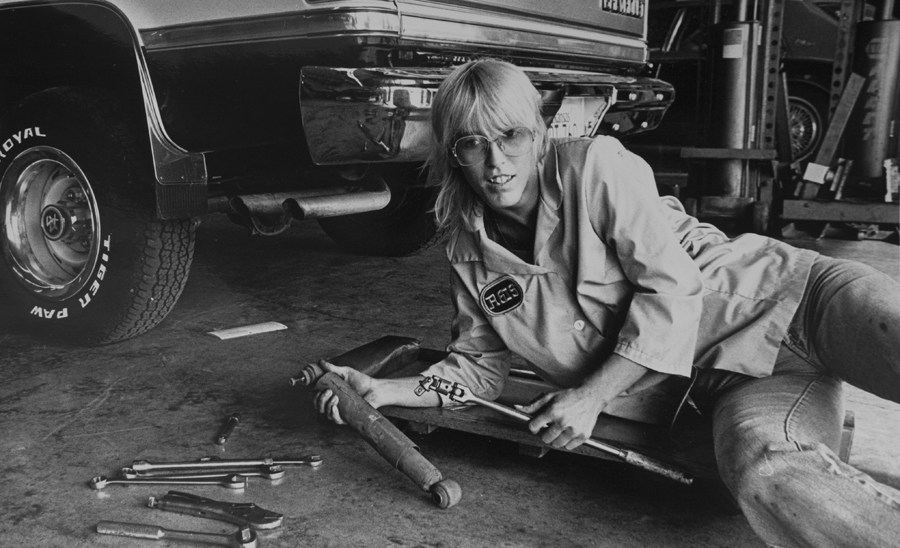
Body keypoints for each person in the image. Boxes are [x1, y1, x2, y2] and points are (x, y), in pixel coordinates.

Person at [314, 59, 900, 547]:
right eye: (473, 144)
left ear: (538, 132)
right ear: (452, 155)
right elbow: (475, 371)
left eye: (510, 136)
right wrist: (384, 391)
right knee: (769, 475)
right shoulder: (469, 253)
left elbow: (669, 288)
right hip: (734, 384)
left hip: (802, 300)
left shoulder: (596, 169)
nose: (497, 163)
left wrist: (592, 396)